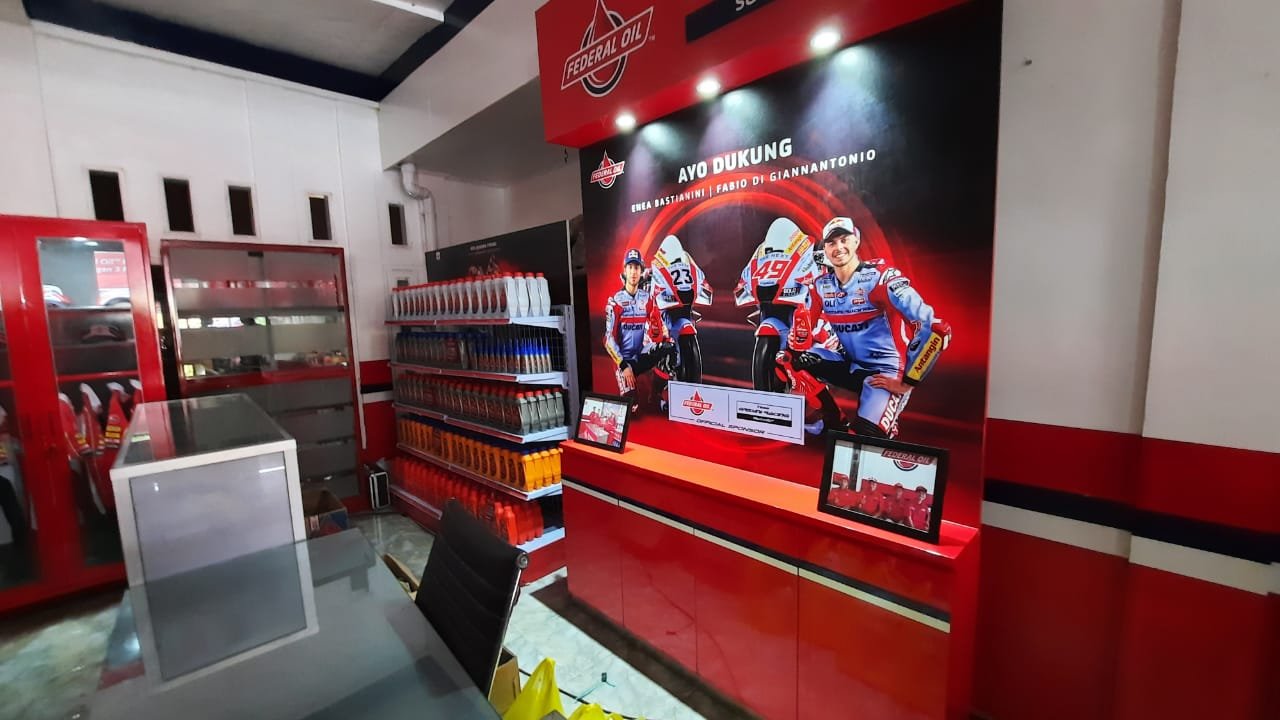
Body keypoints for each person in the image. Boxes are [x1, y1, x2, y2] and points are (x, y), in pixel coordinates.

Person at [793, 217, 952, 438]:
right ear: (825, 250)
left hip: (885, 373)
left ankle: (886, 419)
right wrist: (794, 340)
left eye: (844, 240)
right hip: (850, 365)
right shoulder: (821, 285)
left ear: (856, 241)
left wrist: (907, 382)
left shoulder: (880, 278)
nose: (838, 247)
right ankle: (832, 421)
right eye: (831, 243)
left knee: (862, 441)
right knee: (789, 359)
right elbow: (801, 332)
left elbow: (936, 330)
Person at [604, 249, 673, 408]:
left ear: (641, 271)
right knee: (632, 406)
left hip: (641, 354)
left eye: (636, 267)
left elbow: (657, 322)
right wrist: (623, 365)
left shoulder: (647, 298)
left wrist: (663, 333)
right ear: (625, 271)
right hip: (624, 361)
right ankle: (629, 388)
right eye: (630, 267)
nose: (633, 272)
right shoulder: (615, 302)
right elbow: (608, 340)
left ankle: (656, 393)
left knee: (669, 346)